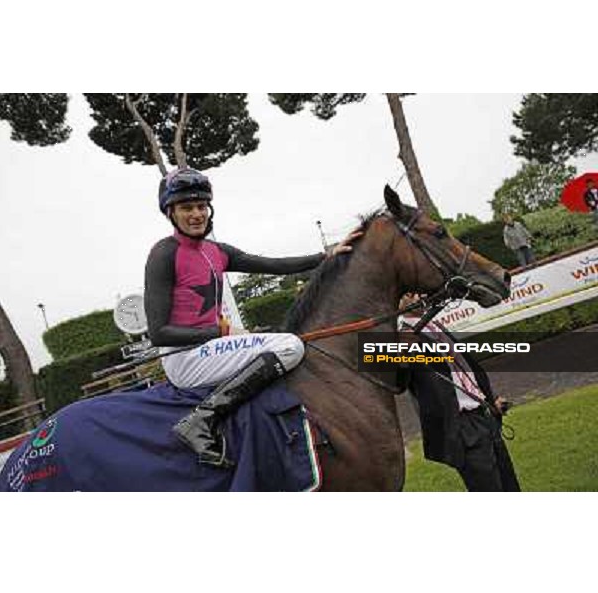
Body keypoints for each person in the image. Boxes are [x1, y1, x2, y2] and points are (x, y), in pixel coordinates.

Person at [145, 167, 361, 466]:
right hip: (184, 357)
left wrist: (327, 256)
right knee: (290, 346)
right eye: (186, 208)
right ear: (170, 212)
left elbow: (273, 265)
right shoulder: (163, 254)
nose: (196, 214)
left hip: (211, 347)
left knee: (281, 339)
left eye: (201, 206)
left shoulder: (216, 250)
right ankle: (201, 421)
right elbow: (159, 333)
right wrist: (218, 334)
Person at [396, 294, 521, 492]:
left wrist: (491, 397)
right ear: (398, 301)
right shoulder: (402, 337)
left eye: (420, 292)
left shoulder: (435, 325)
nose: (419, 297)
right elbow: (397, 383)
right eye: (410, 294)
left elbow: (466, 365)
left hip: (485, 416)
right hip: (461, 427)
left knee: (510, 486)